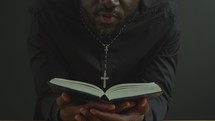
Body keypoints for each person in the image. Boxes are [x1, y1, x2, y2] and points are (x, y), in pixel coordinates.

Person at [27, 0, 181, 121]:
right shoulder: (46, 11)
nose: (109, 2)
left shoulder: (163, 16)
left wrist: (143, 115)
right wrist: (60, 112)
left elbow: (160, 94)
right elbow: (47, 93)